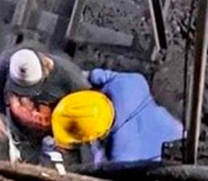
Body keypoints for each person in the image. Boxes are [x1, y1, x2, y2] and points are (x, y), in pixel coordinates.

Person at [50, 69, 183, 164]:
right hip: (180, 132)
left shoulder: (119, 156)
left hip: (167, 164)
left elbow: (97, 169)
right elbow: (94, 75)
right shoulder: (130, 83)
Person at [0, 47, 90, 161]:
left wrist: (65, 141)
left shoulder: (72, 80)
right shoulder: (10, 62)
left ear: (46, 71)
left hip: (59, 122)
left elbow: (82, 117)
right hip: (26, 128)